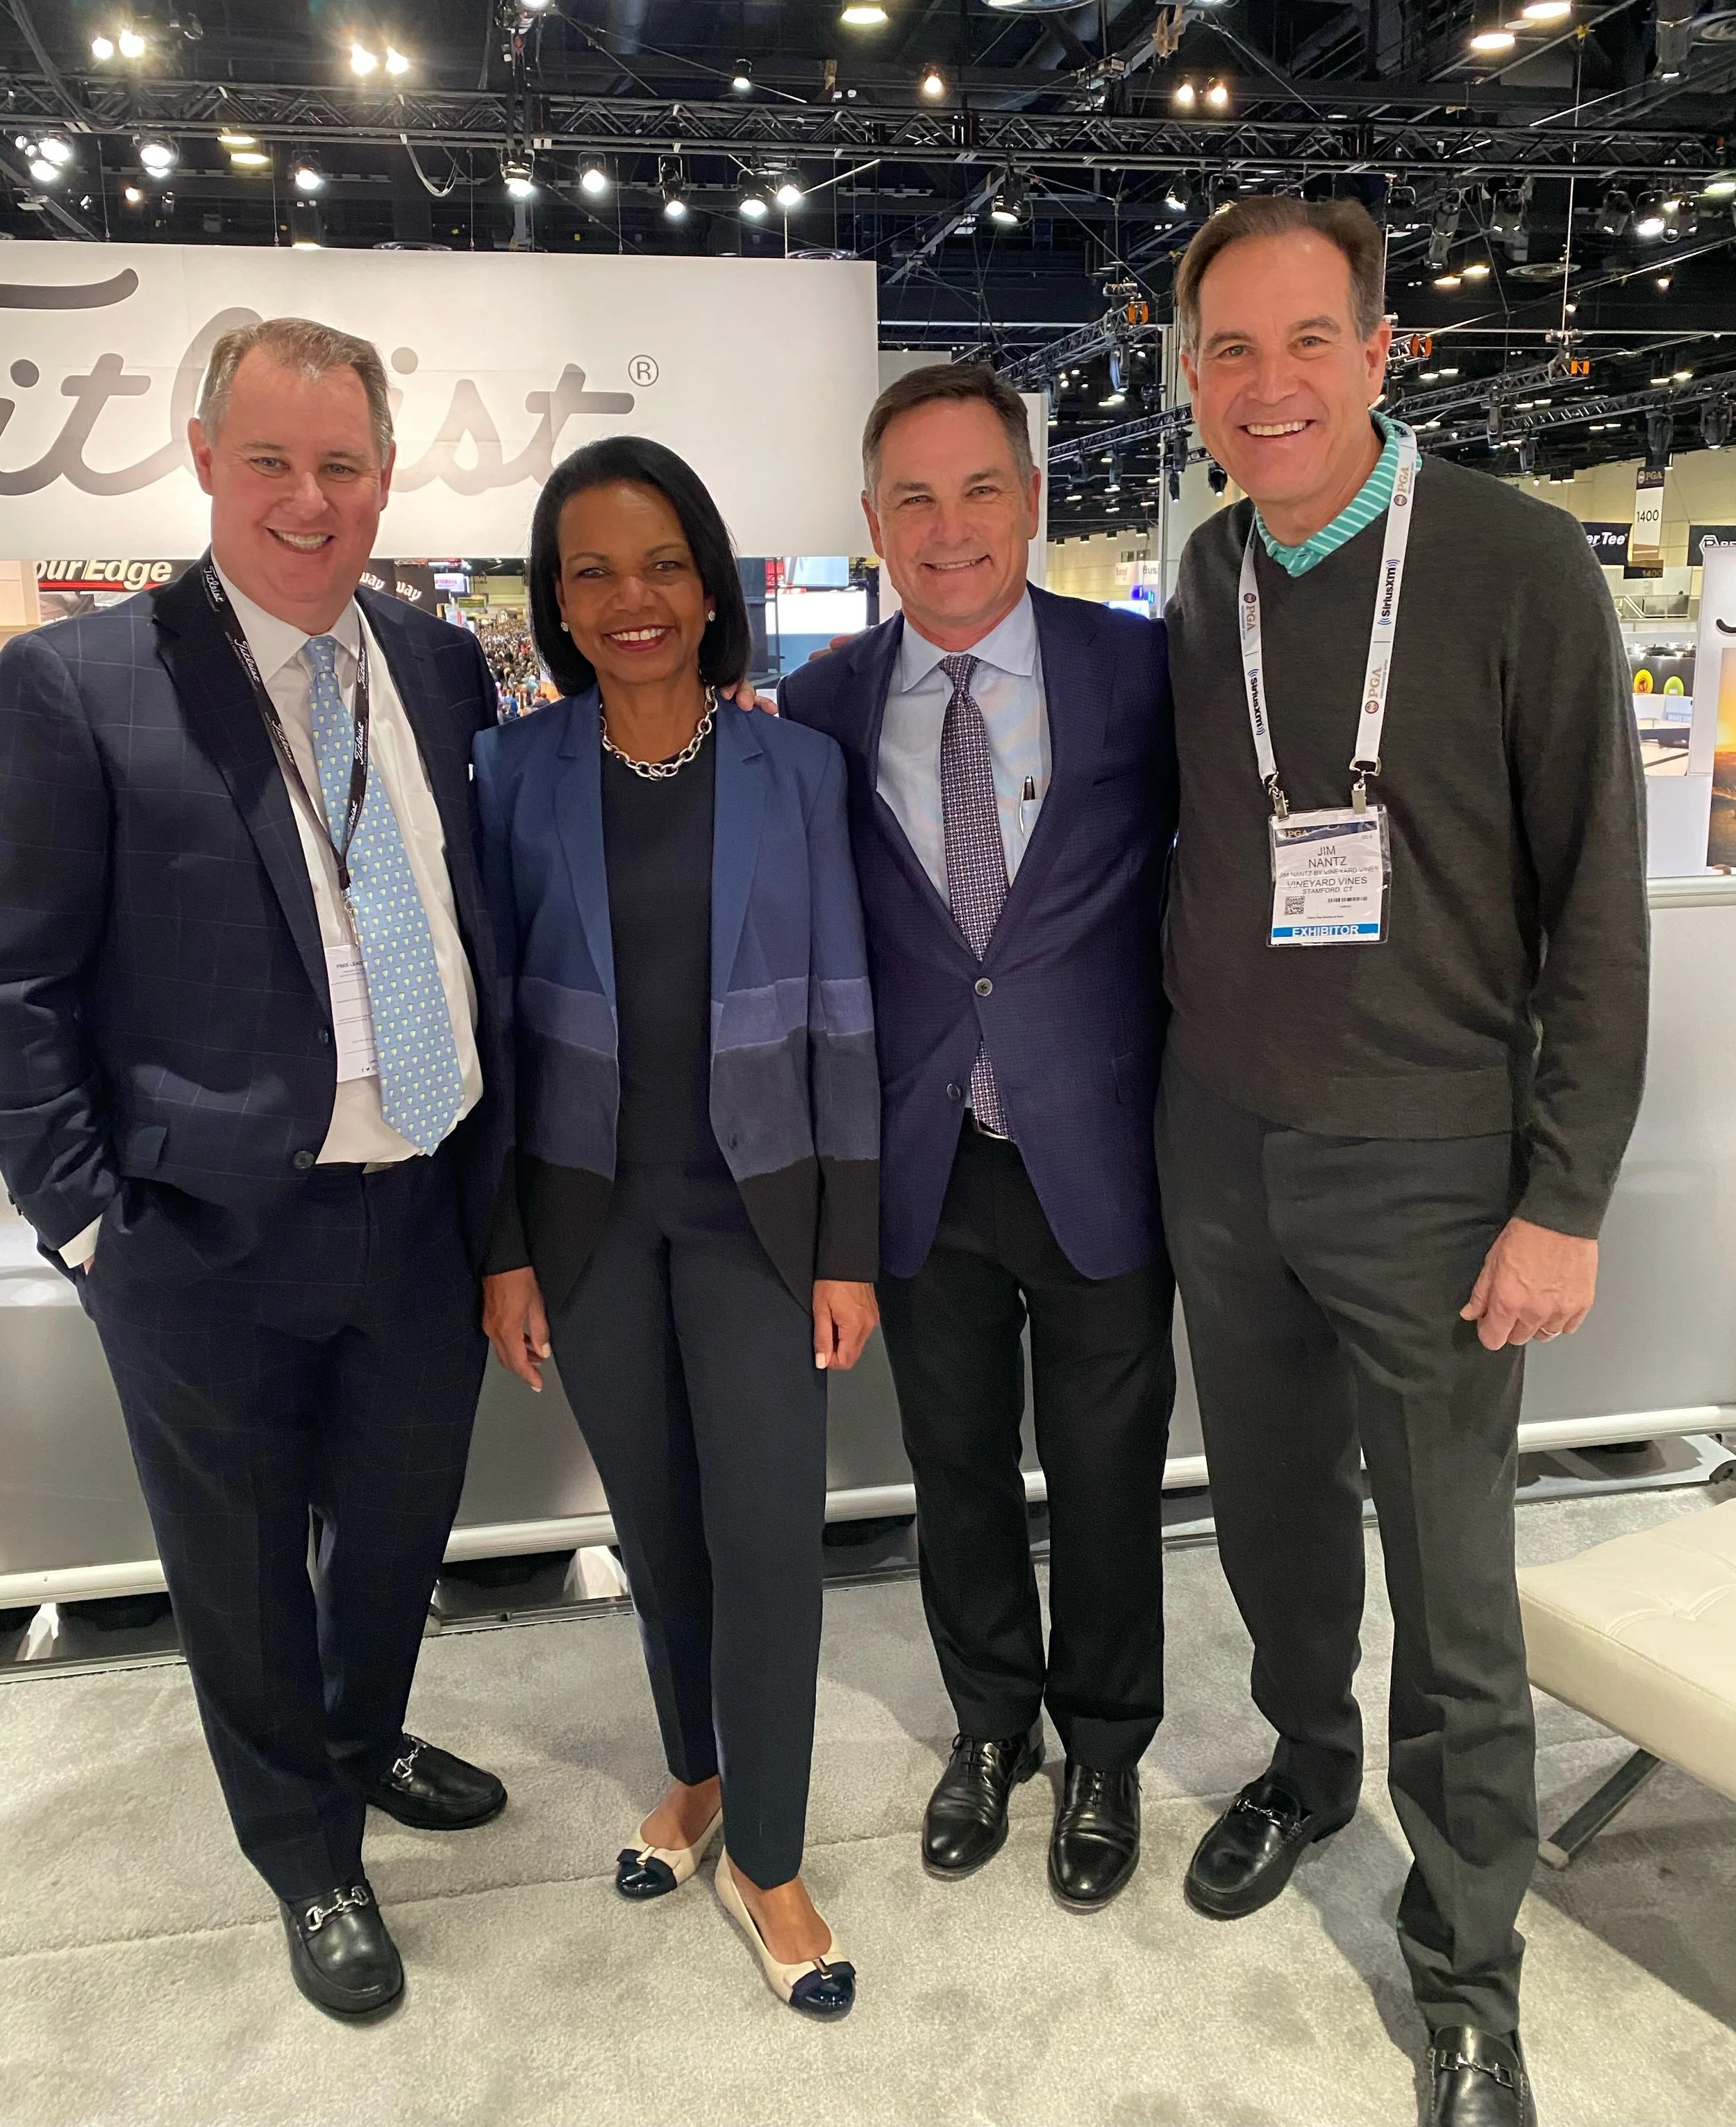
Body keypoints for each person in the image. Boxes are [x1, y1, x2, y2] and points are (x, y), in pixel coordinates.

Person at [1159, 195, 1648, 2127]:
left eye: (1303, 343)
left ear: (1382, 351)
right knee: (1274, 1524)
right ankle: (1298, 1763)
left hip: (1437, 1171)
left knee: (1455, 1588)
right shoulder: (1200, 579)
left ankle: (1466, 1969)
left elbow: (1592, 910)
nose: (1265, 386)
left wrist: (1563, 1193)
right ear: (1187, 375)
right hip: (1223, 1148)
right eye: (1226, 351)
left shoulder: (1518, 568)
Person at [0, 319, 512, 2019]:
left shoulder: (437, 669)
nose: (311, 499)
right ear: (205, 455)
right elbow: (18, 987)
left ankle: (359, 1741)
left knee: (391, 1535)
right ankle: (305, 1851)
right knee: (234, 1563)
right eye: (275, 461)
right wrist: (88, 1223)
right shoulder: (79, 685)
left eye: (344, 464)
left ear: (386, 474)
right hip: (204, 1233)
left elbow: (463, 931)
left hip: (418, 1207)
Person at [478, 437, 879, 2018]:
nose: (631, 599)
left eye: (660, 566)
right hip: (586, 1229)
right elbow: (501, 1038)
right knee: (656, 1539)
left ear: (710, 583)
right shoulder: (511, 773)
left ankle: (767, 1855)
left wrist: (846, 1240)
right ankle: (697, 1776)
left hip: (759, 1225)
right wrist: (503, 1248)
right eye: (592, 571)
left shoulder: (796, 772)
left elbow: (843, 1013)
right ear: (556, 604)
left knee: (769, 1541)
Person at [778, 363, 1177, 1912]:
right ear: (872, 520)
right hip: (920, 1169)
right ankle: (990, 1727)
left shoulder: (1140, 674)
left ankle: (1104, 1748)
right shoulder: (816, 712)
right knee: (952, 1471)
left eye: (979, 489)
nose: (949, 530)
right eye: (914, 500)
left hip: (1103, 1156)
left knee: (1104, 1476)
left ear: (1029, 495)